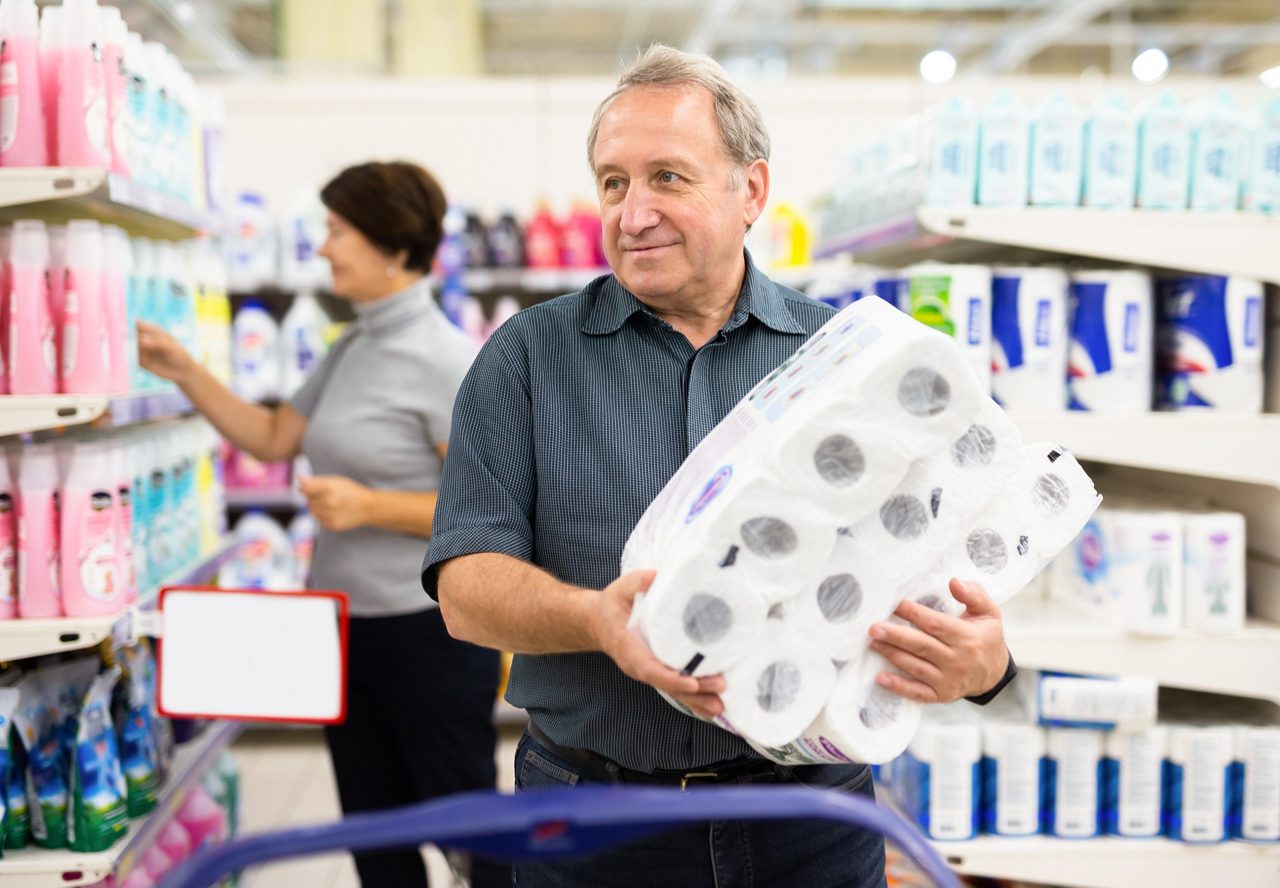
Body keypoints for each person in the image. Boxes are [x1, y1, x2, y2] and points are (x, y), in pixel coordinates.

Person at [423, 47, 1016, 888]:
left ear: (752, 192)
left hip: (809, 820)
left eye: (668, 177)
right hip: (592, 821)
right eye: (614, 183)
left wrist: (986, 663)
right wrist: (597, 620)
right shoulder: (525, 358)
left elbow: (946, 558)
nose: (633, 214)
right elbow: (464, 589)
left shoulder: (851, 358)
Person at [139, 161, 509, 888]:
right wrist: (183, 370)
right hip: (344, 632)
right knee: (372, 839)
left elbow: (490, 511)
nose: (322, 248)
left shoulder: (449, 361)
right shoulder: (351, 348)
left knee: (469, 838)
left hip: (427, 634)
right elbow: (274, 437)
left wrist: (370, 507)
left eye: (337, 231)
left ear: (393, 248)